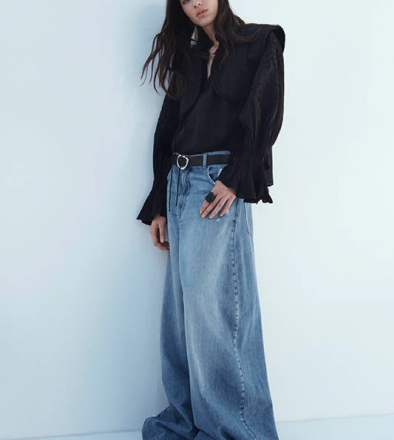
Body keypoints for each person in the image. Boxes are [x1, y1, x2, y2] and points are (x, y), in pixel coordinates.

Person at [137, 0, 285, 439]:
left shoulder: (259, 41)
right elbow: (168, 128)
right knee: (181, 315)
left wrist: (235, 179)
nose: (195, 3)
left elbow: (267, 115)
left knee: (216, 312)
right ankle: (185, 421)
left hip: (216, 185)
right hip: (180, 183)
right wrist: (159, 203)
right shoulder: (190, 56)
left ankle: (237, 431)